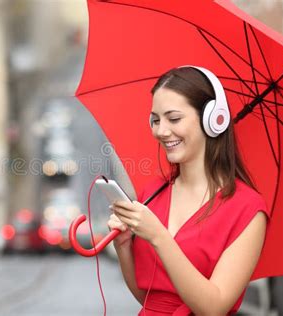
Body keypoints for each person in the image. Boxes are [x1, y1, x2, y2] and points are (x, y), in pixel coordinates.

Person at [107, 66, 270, 315]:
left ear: (212, 119)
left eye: (174, 119)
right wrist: (124, 246)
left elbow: (213, 307)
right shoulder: (153, 193)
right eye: (155, 120)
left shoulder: (247, 209)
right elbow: (149, 297)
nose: (161, 131)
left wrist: (159, 237)